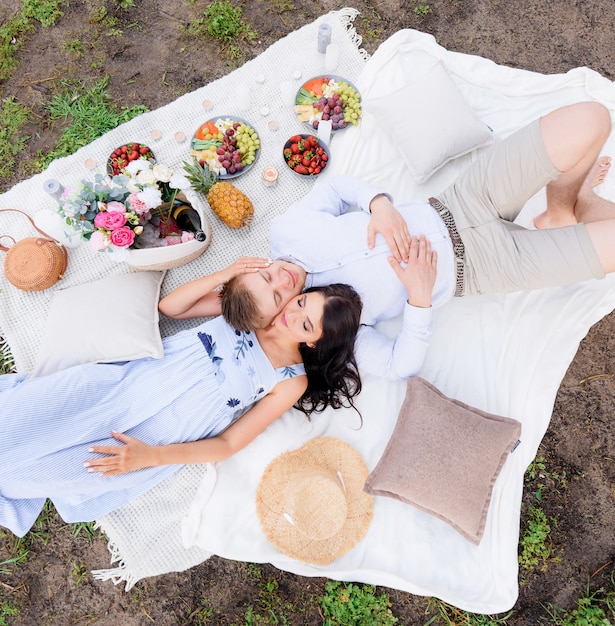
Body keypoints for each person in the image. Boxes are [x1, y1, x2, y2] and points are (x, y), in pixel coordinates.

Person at [166, 102, 615, 380]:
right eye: (281, 296)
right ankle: (583, 207)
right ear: (279, 316)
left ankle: (560, 210)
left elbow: (335, 190)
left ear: (254, 267)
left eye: (265, 276)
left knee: (592, 118)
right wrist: (420, 298)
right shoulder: (333, 322)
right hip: (484, 265)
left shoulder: (287, 232)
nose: (282, 279)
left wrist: (379, 203)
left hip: (462, 201)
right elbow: (401, 366)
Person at [0, 259, 362, 538]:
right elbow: (172, 308)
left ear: (314, 341)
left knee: (20, 474)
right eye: (300, 302)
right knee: (18, 420)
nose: (292, 315)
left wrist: (151, 457)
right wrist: (227, 273)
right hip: (124, 388)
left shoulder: (291, 380)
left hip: (156, 436)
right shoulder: (254, 311)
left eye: (306, 324)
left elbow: (228, 443)